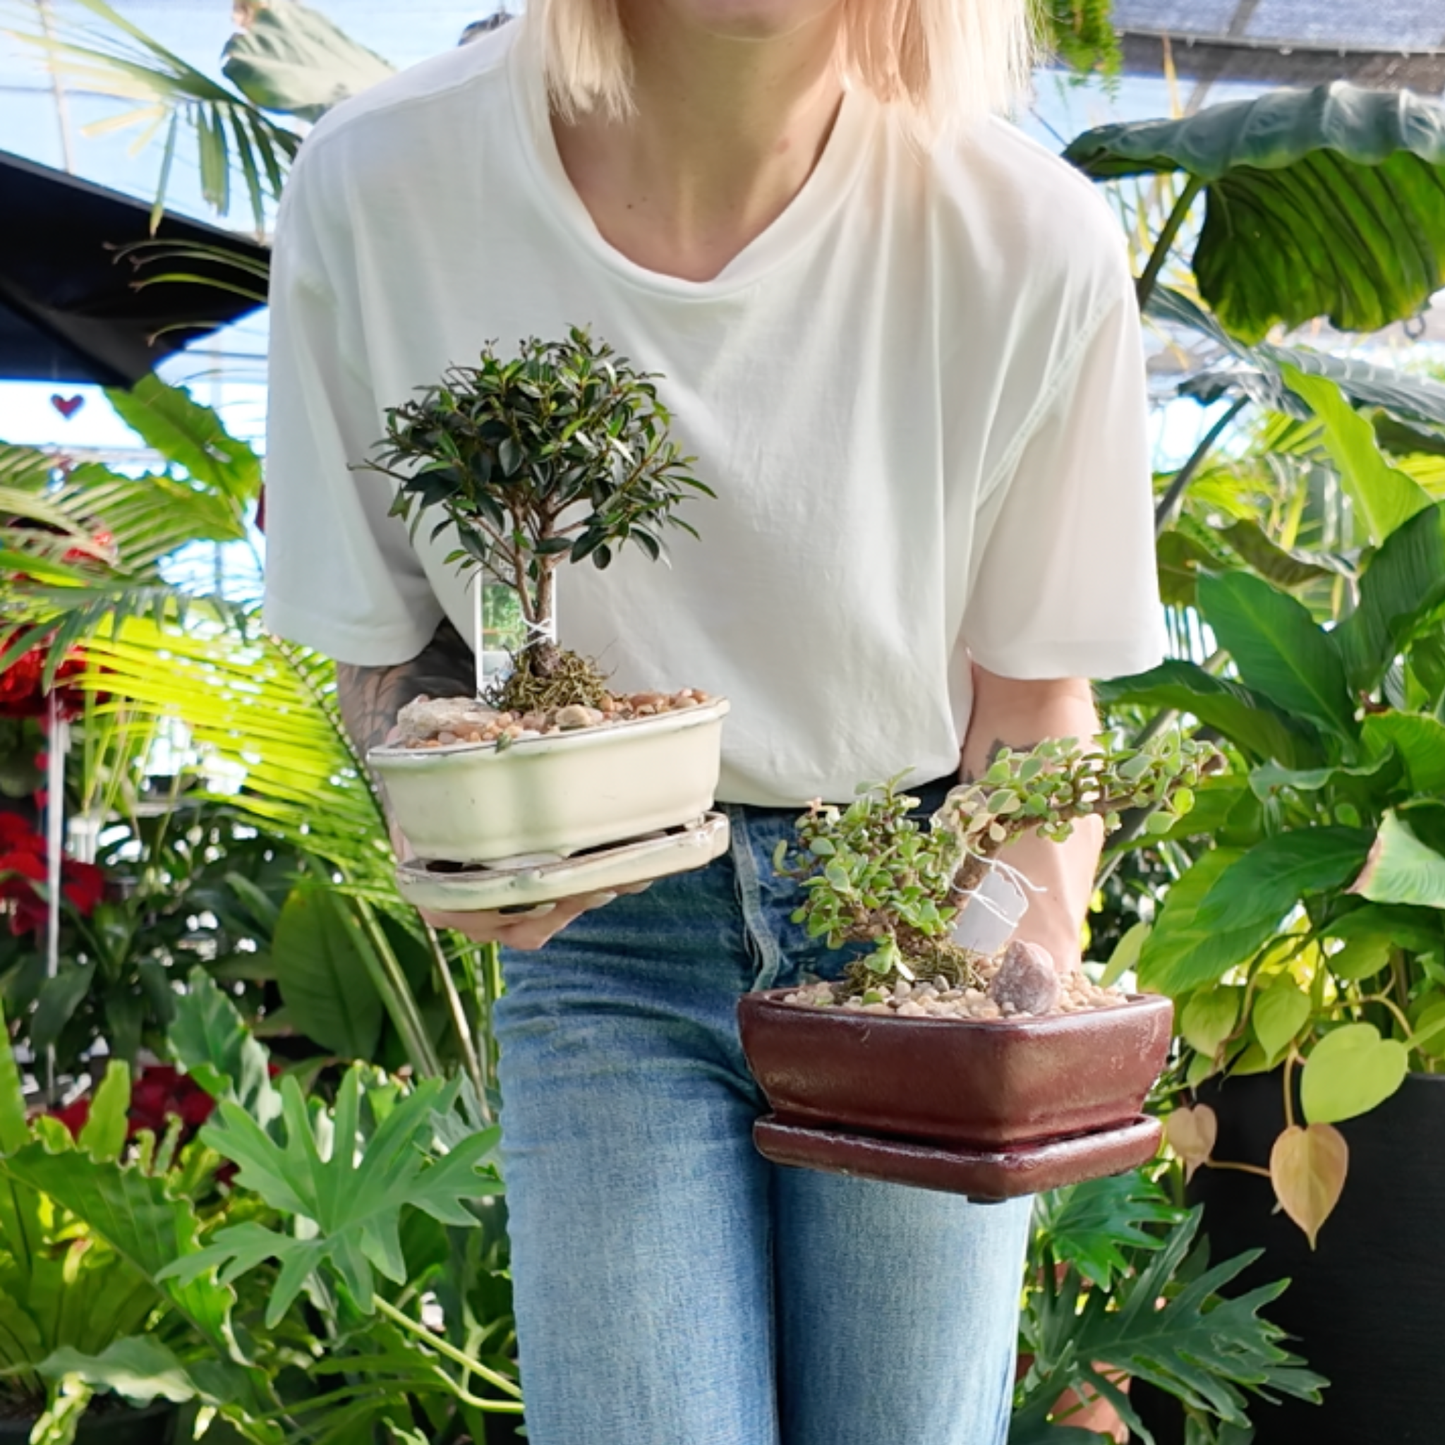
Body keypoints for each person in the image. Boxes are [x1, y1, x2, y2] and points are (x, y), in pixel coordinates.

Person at [262, 1, 1165, 1440]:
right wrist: (450, 815)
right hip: (606, 942)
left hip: (915, 929)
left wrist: (992, 979)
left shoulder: (1024, 235)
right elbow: (384, 653)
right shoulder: (387, 186)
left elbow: (1038, 707)